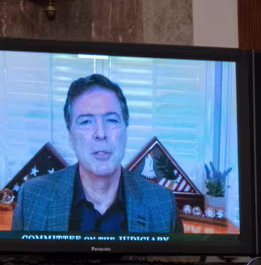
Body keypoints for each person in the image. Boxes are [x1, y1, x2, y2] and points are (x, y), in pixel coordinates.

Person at [12, 73, 182, 234]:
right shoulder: (33, 197)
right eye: (86, 122)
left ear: (125, 129)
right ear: (71, 136)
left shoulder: (163, 203)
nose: (101, 133)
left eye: (112, 120)